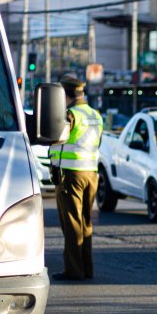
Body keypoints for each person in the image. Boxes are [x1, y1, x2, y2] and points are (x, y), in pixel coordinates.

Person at [49, 74, 103, 281]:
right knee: (86, 222)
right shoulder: (95, 115)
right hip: (91, 173)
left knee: (71, 223)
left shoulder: (70, 115)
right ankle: (86, 268)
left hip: (71, 174)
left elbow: (56, 139)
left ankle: (73, 270)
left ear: (65, 94)